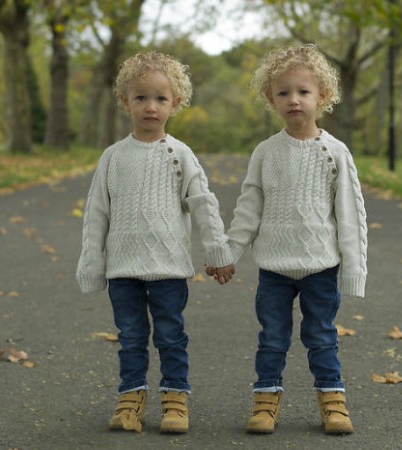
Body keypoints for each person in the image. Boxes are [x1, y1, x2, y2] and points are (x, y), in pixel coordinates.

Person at [208, 43, 368, 435]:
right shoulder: (265, 152)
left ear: (323, 97)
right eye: (284, 93)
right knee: (272, 338)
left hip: (321, 267)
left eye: (303, 91)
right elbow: (249, 208)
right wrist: (229, 251)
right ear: (271, 99)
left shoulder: (335, 152)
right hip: (274, 269)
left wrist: (353, 271)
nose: (294, 100)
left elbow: (351, 215)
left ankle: (333, 401)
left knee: (322, 337)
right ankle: (266, 400)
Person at [76, 51, 235, 434]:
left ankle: (175, 397)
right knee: (130, 337)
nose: (151, 107)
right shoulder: (113, 157)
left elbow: (203, 204)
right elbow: (97, 212)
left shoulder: (181, 156)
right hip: (123, 269)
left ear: (175, 103)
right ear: (125, 102)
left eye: (161, 99)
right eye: (141, 98)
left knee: (170, 336)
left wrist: (217, 251)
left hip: (168, 269)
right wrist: (92, 262)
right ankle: (130, 398)